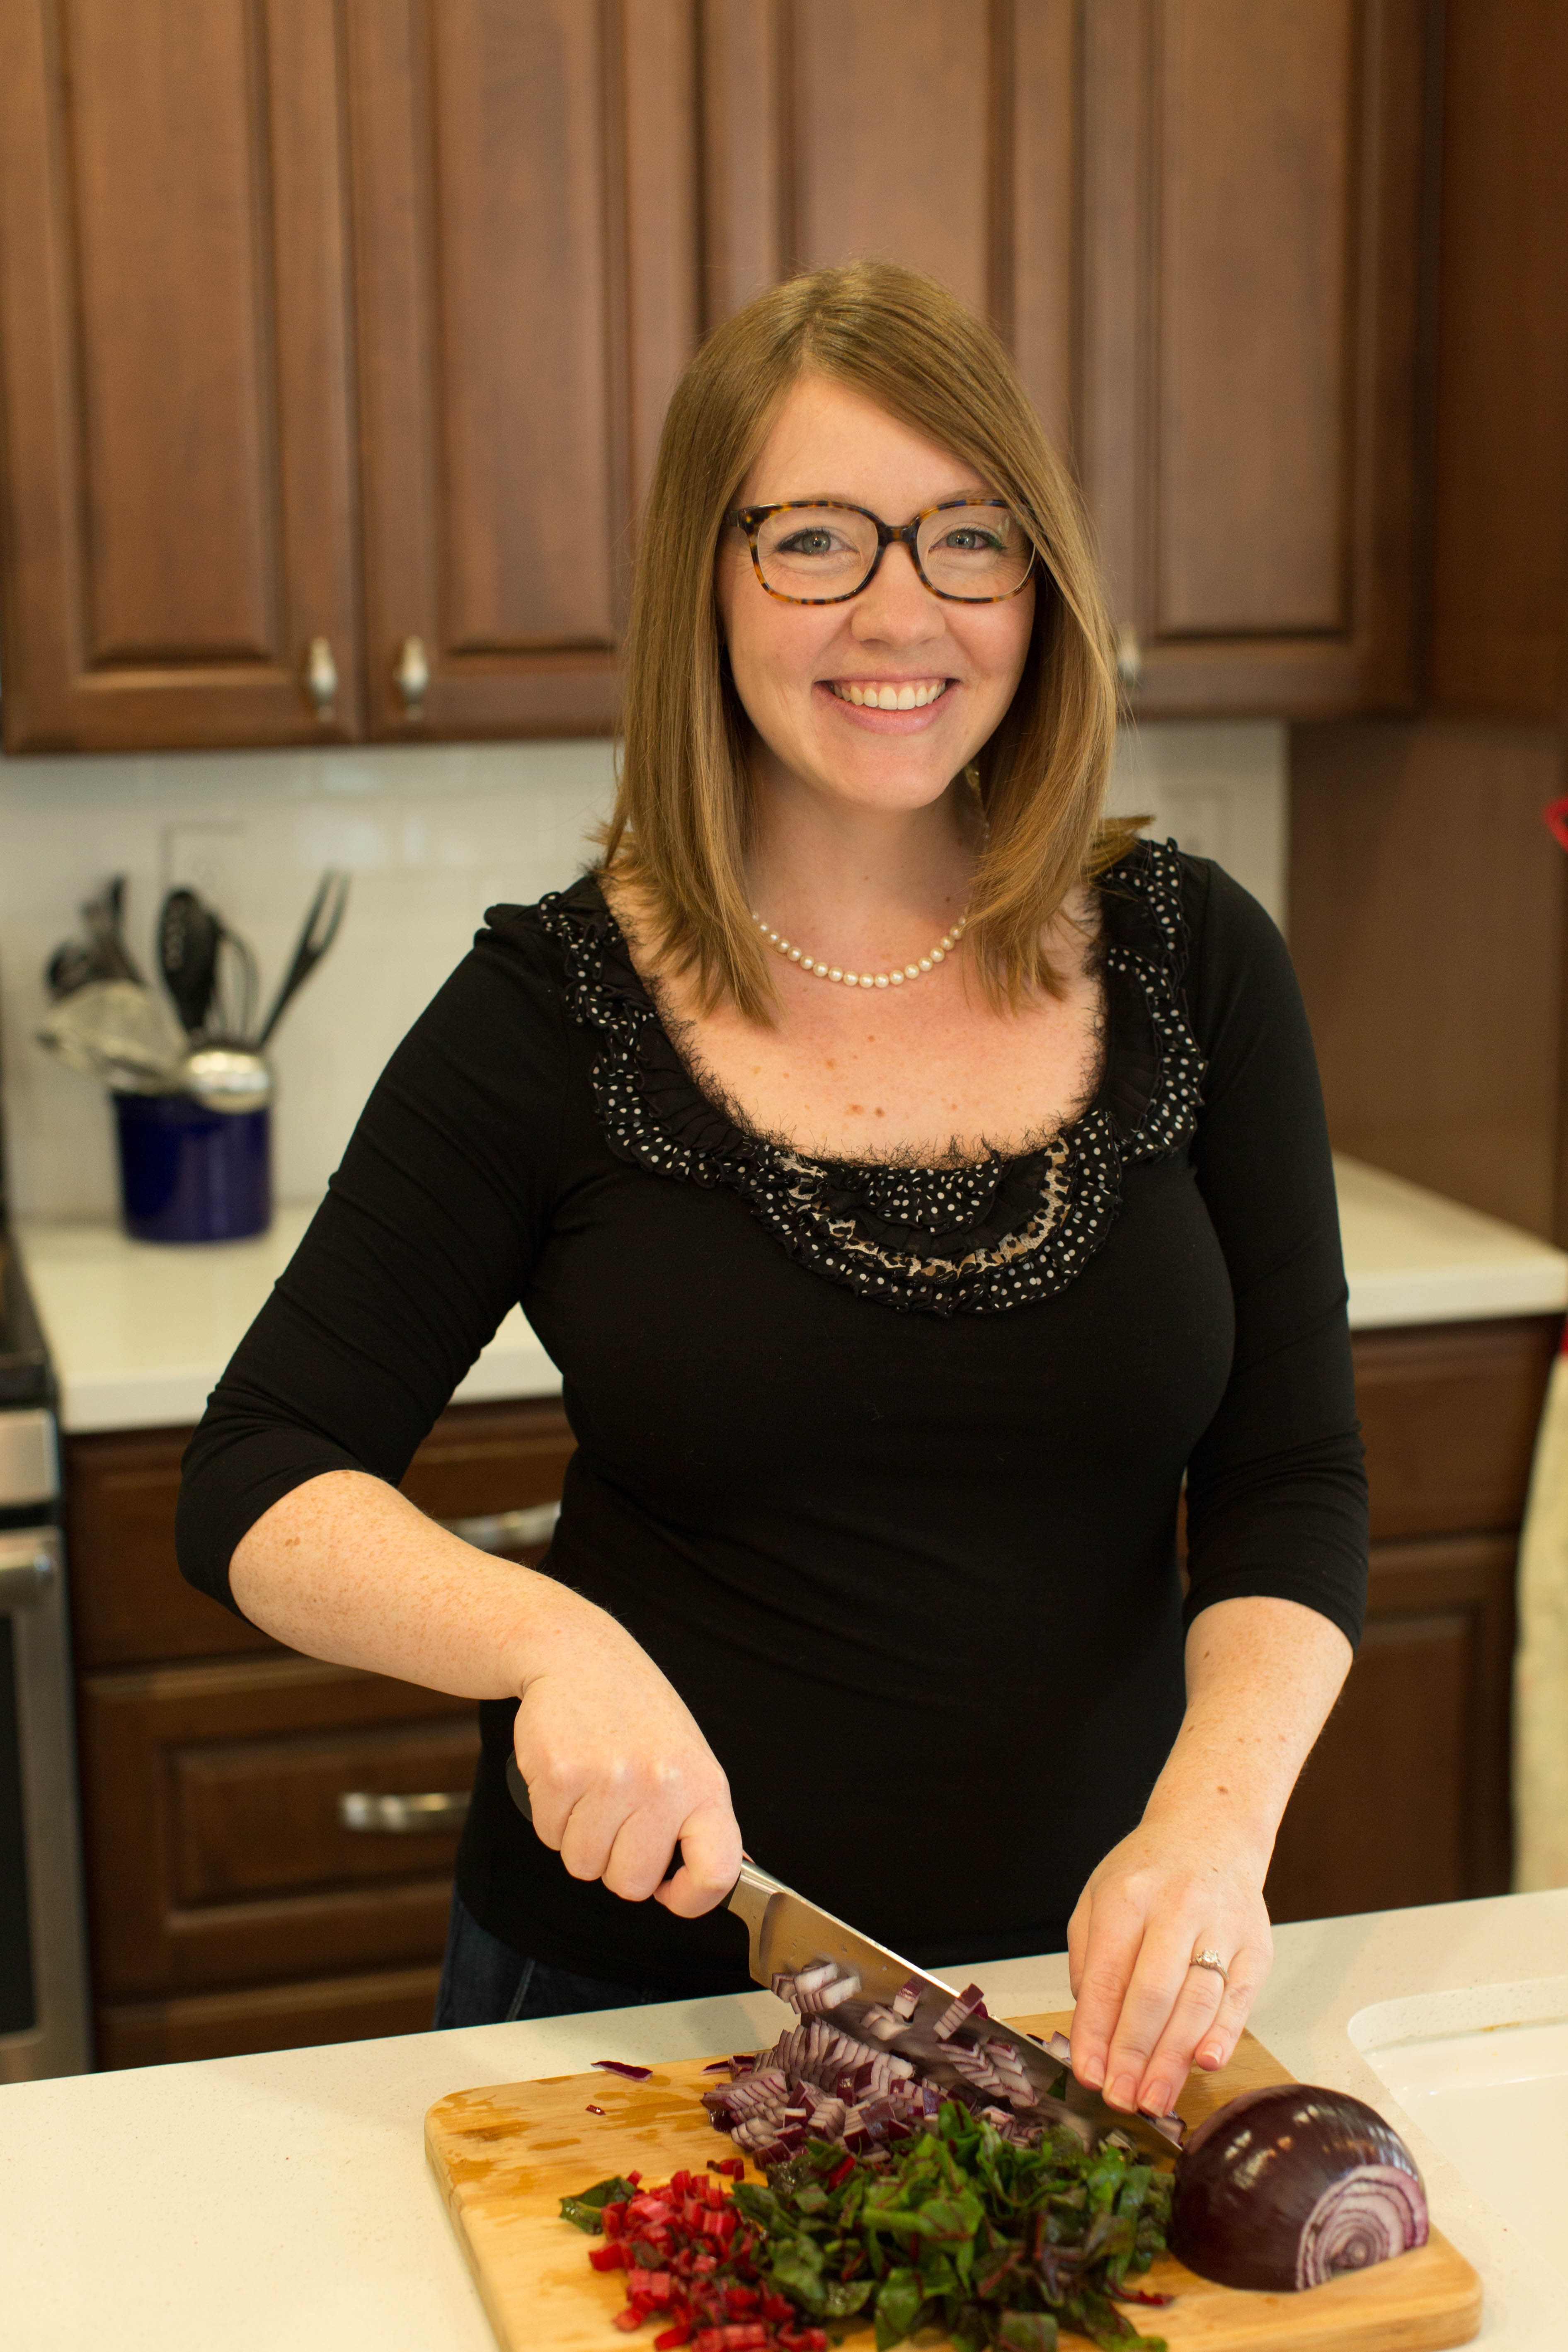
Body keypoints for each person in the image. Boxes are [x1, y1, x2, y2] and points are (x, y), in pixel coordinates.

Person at [177, 261, 1366, 2127]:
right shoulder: (548, 1011)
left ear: (1039, 581)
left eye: (968, 537)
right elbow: (257, 1469)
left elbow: (1293, 1478)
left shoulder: (1193, 962)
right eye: (817, 537)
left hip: (1097, 1997)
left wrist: (1213, 1833)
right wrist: (545, 1643)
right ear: (706, 579)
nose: (904, 612)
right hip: (639, 2011)